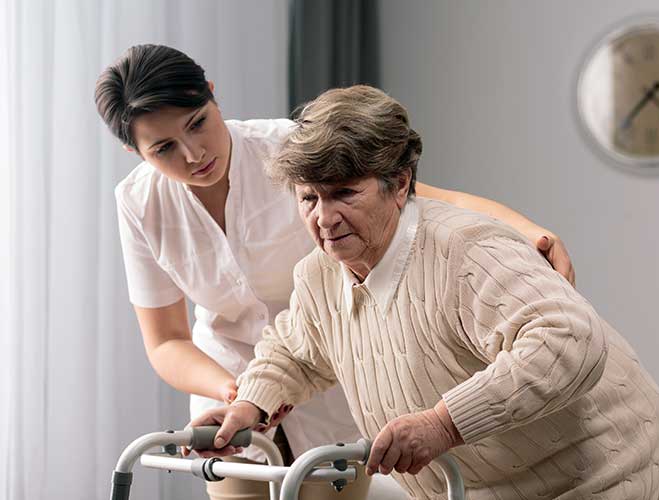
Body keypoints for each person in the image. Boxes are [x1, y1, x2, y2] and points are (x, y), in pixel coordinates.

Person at [94, 44, 576, 500]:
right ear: (134, 152)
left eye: (198, 124)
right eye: (164, 149)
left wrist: (531, 232)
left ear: (213, 93)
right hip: (233, 391)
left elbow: (419, 198)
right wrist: (237, 390)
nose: (193, 154)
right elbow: (166, 341)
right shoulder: (139, 204)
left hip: (329, 371)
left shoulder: (287, 148)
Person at [191, 85, 659, 500]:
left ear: (399, 184)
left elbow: (567, 339)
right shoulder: (317, 275)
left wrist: (445, 424)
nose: (324, 218)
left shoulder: (467, 250)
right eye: (309, 198)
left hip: (591, 477)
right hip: (472, 488)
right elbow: (295, 353)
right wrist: (249, 408)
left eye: (344, 193)